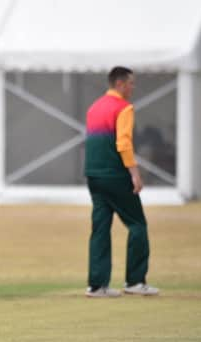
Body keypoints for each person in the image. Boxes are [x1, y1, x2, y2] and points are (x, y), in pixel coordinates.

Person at [84, 66, 159, 298]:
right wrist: (135, 173)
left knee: (100, 228)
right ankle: (135, 281)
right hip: (115, 175)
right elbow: (123, 143)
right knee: (137, 224)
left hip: (93, 175)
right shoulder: (124, 108)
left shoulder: (94, 107)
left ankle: (97, 285)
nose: (133, 87)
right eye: (131, 83)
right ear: (119, 84)